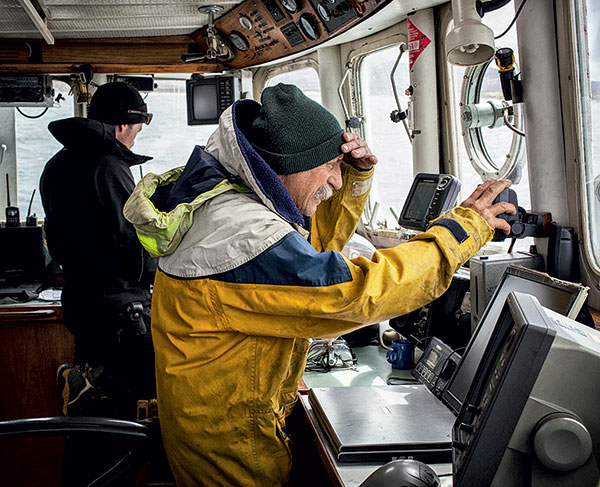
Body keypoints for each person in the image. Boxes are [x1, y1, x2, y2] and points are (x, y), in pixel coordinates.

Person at [123, 83, 515, 487]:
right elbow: (357, 294)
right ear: (289, 163)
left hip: (222, 424)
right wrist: (460, 232)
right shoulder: (242, 237)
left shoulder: (231, 203)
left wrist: (356, 179)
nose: (335, 180)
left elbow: (308, 250)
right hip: (233, 451)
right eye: (329, 166)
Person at [40, 81, 157, 419]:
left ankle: (87, 472)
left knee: (90, 418)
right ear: (122, 124)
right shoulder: (109, 167)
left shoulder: (57, 164)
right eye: (137, 128)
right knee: (123, 421)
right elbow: (134, 241)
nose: (135, 137)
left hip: (83, 306)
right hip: (120, 318)